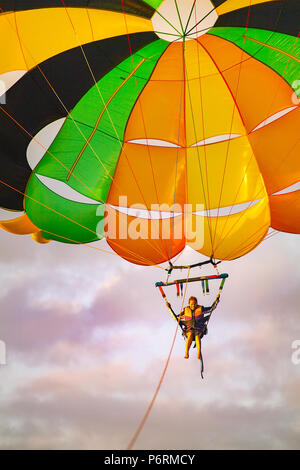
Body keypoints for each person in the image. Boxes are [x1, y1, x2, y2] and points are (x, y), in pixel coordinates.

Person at [166, 294, 220, 360]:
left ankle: (199, 352)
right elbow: (175, 317)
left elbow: (211, 308)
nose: (193, 305)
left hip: (199, 329)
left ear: (197, 303)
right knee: (190, 334)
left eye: (194, 304)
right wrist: (169, 308)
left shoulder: (201, 309)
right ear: (189, 304)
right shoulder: (185, 311)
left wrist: (217, 299)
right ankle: (186, 352)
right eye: (191, 304)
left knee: (197, 336)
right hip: (189, 330)